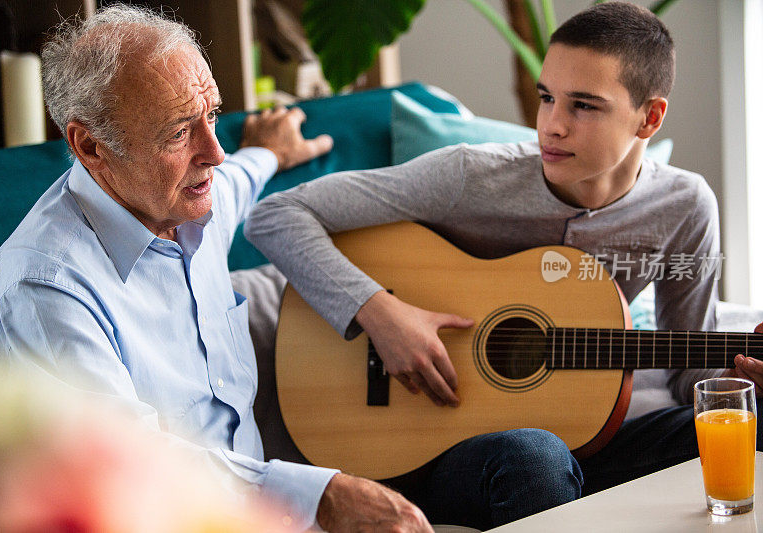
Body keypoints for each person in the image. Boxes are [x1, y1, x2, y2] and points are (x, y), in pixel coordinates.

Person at [245, 2, 746, 529]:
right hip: (438, 451)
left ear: (650, 117)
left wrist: (739, 376)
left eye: (584, 106)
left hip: (590, 440)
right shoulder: (469, 176)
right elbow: (276, 215)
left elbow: (693, 371)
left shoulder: (686, 206)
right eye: (547, 97)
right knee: (535, 458)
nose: (551, 126)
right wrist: (381, 315)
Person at [0, 5, 433, 532]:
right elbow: (128, 465)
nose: (214, 152)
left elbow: (235, 176)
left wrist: (267, 153)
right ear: (91, 146)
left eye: (212, 115)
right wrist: (321, 497)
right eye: (178, 133)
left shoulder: (185, 201)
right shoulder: (40, 288)